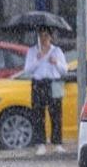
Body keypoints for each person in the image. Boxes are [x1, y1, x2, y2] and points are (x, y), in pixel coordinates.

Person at [23, 26, 68, 155]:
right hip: (38, 83)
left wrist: (56, 62)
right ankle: (41, 143)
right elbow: (27, 70)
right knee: (38, 114)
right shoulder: (32, 51)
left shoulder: (57, 51)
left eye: (46, 36)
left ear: (50, 37)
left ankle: (57, 143)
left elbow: (64, 70)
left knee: (56, 114)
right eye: (41, 36)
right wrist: (38, 59)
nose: (43, 39)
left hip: (54, 82)